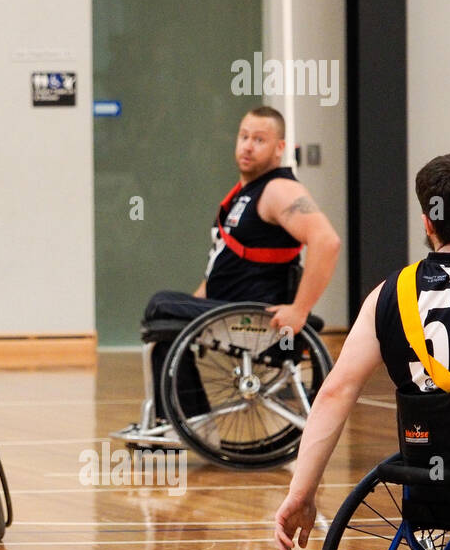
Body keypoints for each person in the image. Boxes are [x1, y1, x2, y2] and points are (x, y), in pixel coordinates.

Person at [276, 153, 450, 550]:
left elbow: (335, 394)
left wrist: (300, 493)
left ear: (428, 222)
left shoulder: (387, 295)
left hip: (429, 476)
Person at [125, 106, 341, 440]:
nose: (248, 146)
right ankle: (190, 424)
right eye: (243, 137)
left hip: (255, 316)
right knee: (167, 314)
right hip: (227, 307)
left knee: (160, 302)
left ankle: (192, 425)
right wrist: (192, 308)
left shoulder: (279, 189)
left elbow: (327, 241)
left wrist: (299, 310)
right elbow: (222, 263)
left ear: (279, 148)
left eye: (259, 139)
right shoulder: (246, 192)